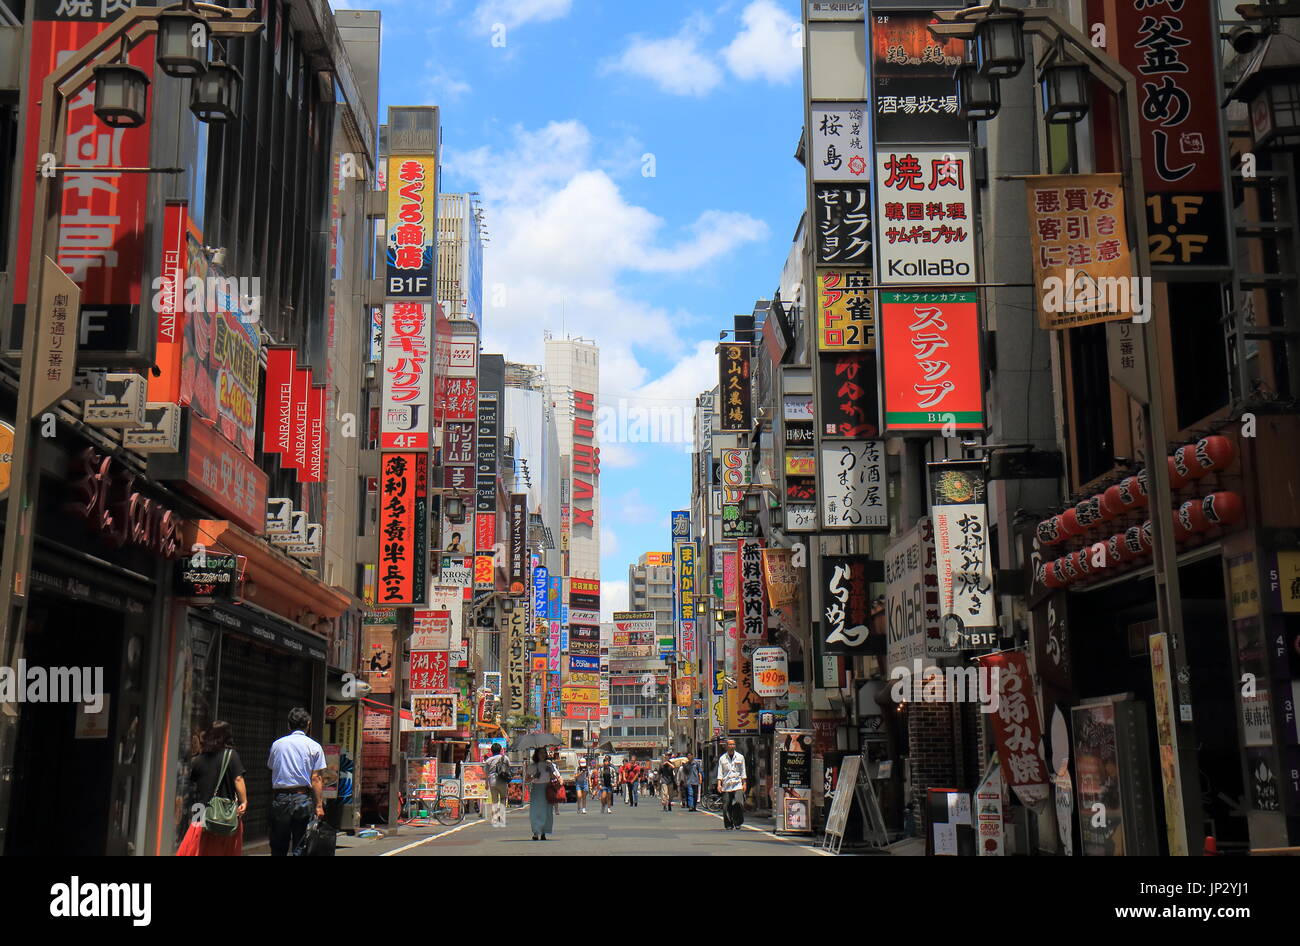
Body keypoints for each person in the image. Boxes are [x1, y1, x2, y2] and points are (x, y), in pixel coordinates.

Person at [176, 720, 248, 856]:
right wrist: (244, 801)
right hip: (224, 813)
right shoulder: (231, 756)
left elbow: (190, 782)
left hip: (200, 810)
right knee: (221, 850)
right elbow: (238, 779)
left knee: (197, 849)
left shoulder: (198, 759)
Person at [267, 707, 327, 855]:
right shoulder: (314, 746)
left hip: (280, 798)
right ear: (308, 724)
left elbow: (271, 766)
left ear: (289, 725)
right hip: (302, 797)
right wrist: (319, 805)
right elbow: (316, 778)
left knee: (278, 843)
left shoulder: (277, 745)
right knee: (301, 843)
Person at [527, 747, 559, 840]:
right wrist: (534, 776)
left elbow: (554, 777)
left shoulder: (549, 765)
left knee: (547, 811)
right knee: (536, 811)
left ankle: (544, 832)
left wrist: (550, 772)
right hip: (536, 789)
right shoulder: (532, 766)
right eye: (540, 753)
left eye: (544, 753)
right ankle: (536, 832)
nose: (543, 755)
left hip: (547, 789)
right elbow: (527, 779)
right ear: (536, 754)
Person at [715, 738, 747, 830]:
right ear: (726, 746)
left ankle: (738, 822)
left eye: (733, 744)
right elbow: (720, 772)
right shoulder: (722, 758)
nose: (732, 746)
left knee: (738, 802)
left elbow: (743, 771)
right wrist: (719, 784)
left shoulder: (740, 757)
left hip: (737, 784)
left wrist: (744, 783)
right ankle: (728, 824)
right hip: (726, 785)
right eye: (730, 744)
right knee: (726, 806)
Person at [485, 743, 511, 827]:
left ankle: (495, 818)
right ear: (500, 750)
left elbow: (486, 773)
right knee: (503, 798)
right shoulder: (505, 758)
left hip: (492, 781)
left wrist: (486, 783)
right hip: (502, 780)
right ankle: (502, 816)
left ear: (491, 751)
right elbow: (508, 768)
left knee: (494, 800)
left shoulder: (489, 760)